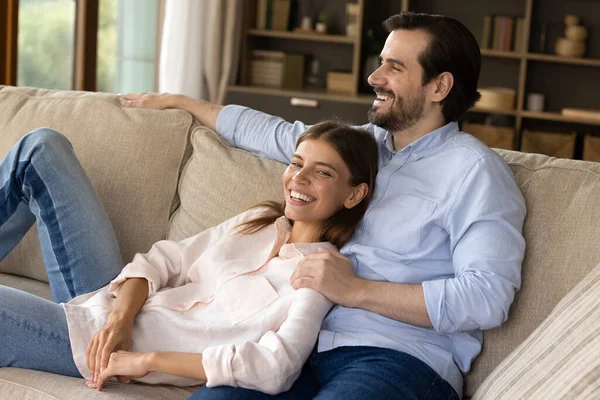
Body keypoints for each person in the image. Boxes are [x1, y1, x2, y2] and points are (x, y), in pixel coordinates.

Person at [119, 11, 527, 400]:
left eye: (395, 68)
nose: (374, 77)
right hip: (295, 346)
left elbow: (487, 296)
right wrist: (187, 103)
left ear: (439, 87)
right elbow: (276, 134)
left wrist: (356, 290)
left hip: (399, 358)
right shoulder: (361, 146)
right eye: (380, 62)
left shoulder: (476, 172)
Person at [0, 120, 379, 395]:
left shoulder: (320, 275)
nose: (299, 179)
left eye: (322, 172)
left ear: (353, 194)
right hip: (113, 306)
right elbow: (164, 259)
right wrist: (122, 317)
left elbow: (275, 368)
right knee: (42, 148)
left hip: (100, 348)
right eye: (296, 163)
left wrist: (146, 360)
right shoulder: (258, 222)